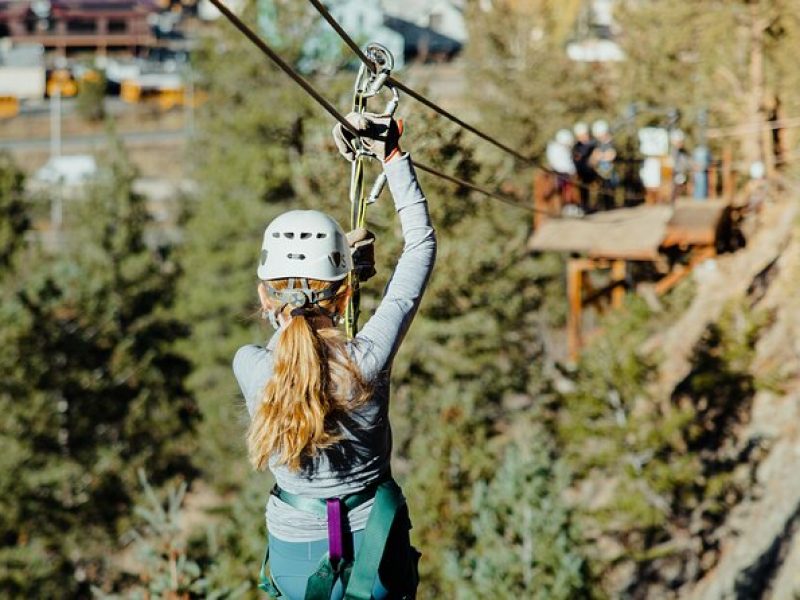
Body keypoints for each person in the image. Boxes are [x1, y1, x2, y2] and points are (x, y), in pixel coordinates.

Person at [233, 112, 435, 599]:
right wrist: (391, 157)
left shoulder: (251, 365)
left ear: (266, 298)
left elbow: (298, 348)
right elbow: (421, 245)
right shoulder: (367, 360)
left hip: (293, 547)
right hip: (376, 542)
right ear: (344, 296)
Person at [546, 128, 580, 212]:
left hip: (557, 172)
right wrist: (573, 171)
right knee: (567, 190)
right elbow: (566, 163)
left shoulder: (552, 147)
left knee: (561, 191)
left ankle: (563, 208)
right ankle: (568, 207)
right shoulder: (560, 149)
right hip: (563, 173)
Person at [589, 119, 617, 210]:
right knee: (601, 188)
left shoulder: (610, 143)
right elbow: (594, 157)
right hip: (600, 172)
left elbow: (611, 155)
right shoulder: (598, 144)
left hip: (609, 172)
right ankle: (603, 205)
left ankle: (610, 205)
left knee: (609, 188)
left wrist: (601, 156)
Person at [571, 121, 597, 212]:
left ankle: (595, 206)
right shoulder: (576, 147)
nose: (585, 137)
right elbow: (576, 160)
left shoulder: (593, 145)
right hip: (581, 173)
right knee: (583, 191)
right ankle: (585, 207)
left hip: (592, 172)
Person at [669, 129, 691, 202]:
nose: (681, 143)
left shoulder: (683, 152)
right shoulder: (673, 151)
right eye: (679, 142)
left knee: (680, 190)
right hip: (676, 173)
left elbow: (686, 162)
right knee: (676, 190)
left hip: (681, 173)